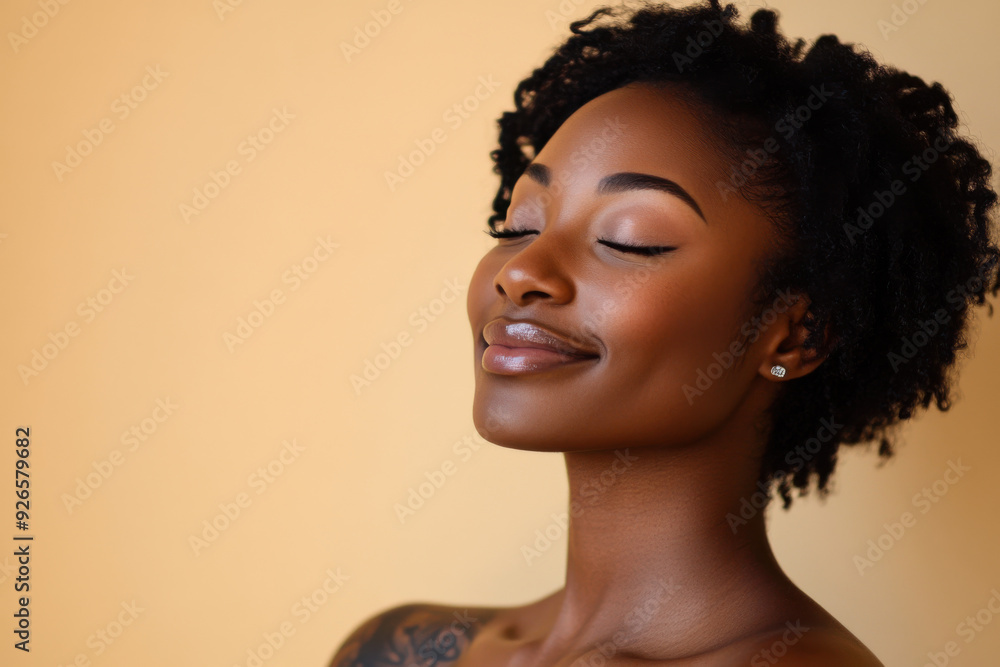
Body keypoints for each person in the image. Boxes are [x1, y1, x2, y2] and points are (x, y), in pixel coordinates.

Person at [329, 1, 999, 664]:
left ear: (795, 338)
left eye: (630, 239)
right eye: (520, 224)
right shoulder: (398, 649)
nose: (522, 271)